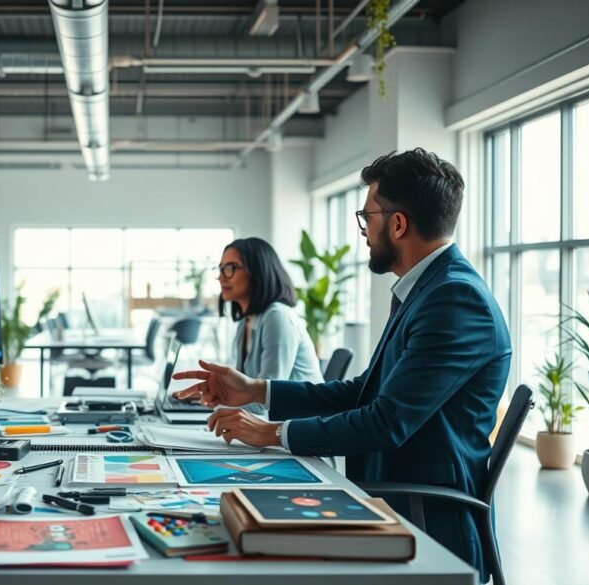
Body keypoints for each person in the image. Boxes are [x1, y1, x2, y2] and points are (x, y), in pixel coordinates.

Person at [173, 148, 510, 581]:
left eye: (367, 218)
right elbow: (363, 390)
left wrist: (272, 432)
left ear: (398, 223)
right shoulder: (426, 291)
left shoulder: (453, 300)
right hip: (388, 498)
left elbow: (386, 422)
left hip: (423, 519)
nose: (364, 231)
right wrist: (257, 390)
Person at [216, 237, 322, 383]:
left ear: (257, 270)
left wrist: (221, 403)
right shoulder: (245, 322)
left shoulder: (277, 317)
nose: (221, 277)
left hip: (296, 406)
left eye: (230, 268)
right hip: (272, 406)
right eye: (221, 269)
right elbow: (245, 387)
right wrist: (214, 392)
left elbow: (269, 395)